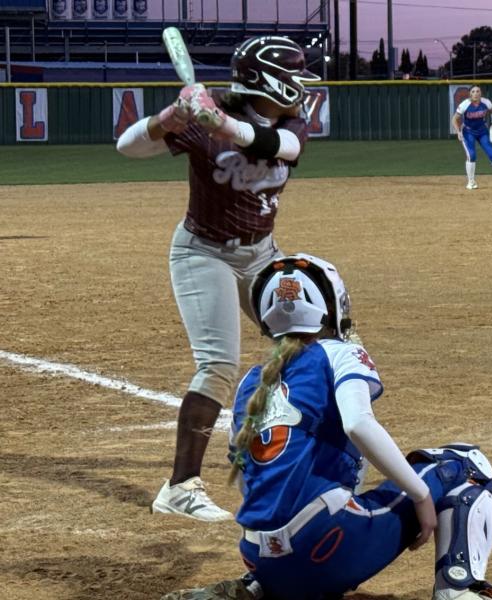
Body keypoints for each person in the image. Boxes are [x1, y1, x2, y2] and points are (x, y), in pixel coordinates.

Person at [160, 254, 492, 600]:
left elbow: (250, 475)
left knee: (306, 506)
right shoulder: (338, 353)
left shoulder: (252, 381)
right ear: (332, 305)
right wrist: (419, 495)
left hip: (259, 557)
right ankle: (459, 588)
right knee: (466, 465)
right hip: (326, 547)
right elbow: (358, 423)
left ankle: (261, 587)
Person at [116, 36, 320, 521]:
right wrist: (173, 117)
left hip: (262, 255)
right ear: (267, 80)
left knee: (311, 342)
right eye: (292, 75)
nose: (299, 85)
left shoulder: (289, 123)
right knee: (218, 365)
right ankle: (180, 488)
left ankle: (308, 459)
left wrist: (222, 123)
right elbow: (127, 147)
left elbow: (280, 147)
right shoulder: (200, 125)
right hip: (203, 253)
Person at [452, 85, 492, 190]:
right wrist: (458, 132)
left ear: (481, 93)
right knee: (471, 155)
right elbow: (454, 119)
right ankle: (471, 182)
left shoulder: (486, 102)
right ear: (470, 94)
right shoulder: (465, 104)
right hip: (468, 131)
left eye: (478, 91)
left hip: (482, 131)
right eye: (473, 91)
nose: (476, 93)